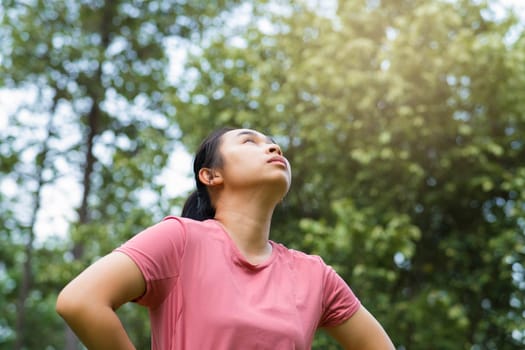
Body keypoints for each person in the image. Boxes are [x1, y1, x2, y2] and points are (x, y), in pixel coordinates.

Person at [56, 127, 395, 349]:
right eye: (250, 141)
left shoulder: (315, 275)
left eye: (272, 143)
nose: (274, 147)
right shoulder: (180, 239)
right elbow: (80, 300)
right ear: (211, 175)